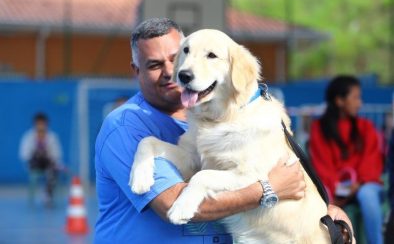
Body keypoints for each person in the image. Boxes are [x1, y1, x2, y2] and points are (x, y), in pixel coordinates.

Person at [94, 18, 353, 243]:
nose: (176, 71)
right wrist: (268, 189)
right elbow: (174, 204)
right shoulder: (126, 125)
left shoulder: (208, 116)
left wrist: (326, 211)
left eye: (175, 58)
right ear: (136, 71)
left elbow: (290, 184)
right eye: (153, 65)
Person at [309, 75, 384, 244]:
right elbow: (322, 165)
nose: (360, 103)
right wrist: (338, 189)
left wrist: (357, 185)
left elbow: (371, 160)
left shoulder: (366, 127)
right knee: (322, 198)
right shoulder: (319, 129)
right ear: (339, 101)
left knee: (367, 195)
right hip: (335, 187)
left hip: (364, 184)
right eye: (356, 97)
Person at [19, 112, 63, 207]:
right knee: (36, 159)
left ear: (46, 124)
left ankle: (47, 194)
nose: (41, 126)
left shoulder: (52, 137)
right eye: (38, 124)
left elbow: (57, 154)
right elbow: (24, 155)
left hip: (48, 163)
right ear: (35, 124)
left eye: (43, 124)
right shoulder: (28, 137)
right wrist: (36, 154)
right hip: (34, 163)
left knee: (53, 169)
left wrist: (48, 156)